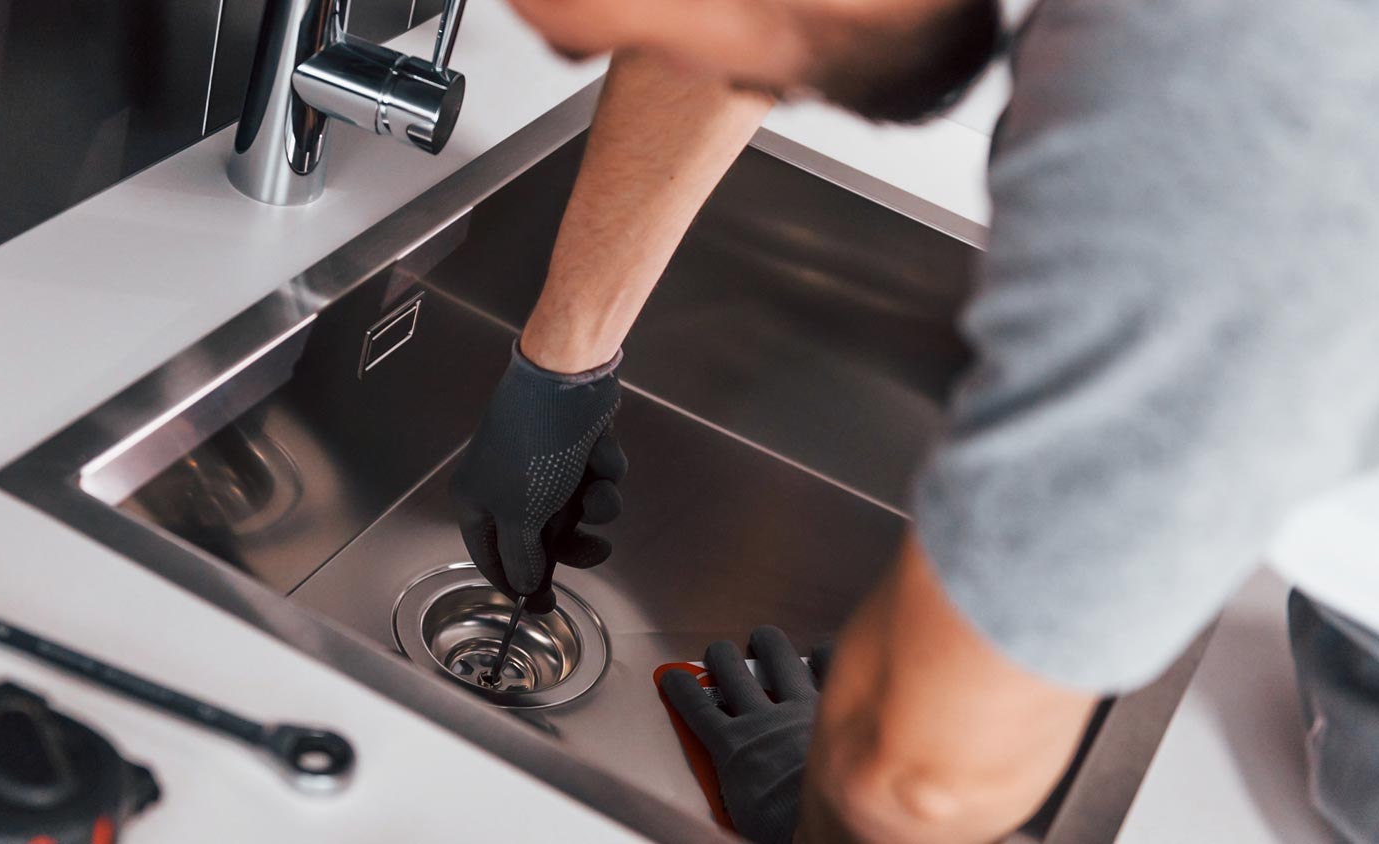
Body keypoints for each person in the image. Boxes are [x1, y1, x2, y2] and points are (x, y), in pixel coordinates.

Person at [448, 0, 1379, 842]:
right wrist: (563, 362)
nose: (568, 47)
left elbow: (926, 786)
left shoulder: (1211, 95)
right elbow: (738, 27)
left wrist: (835, 805)